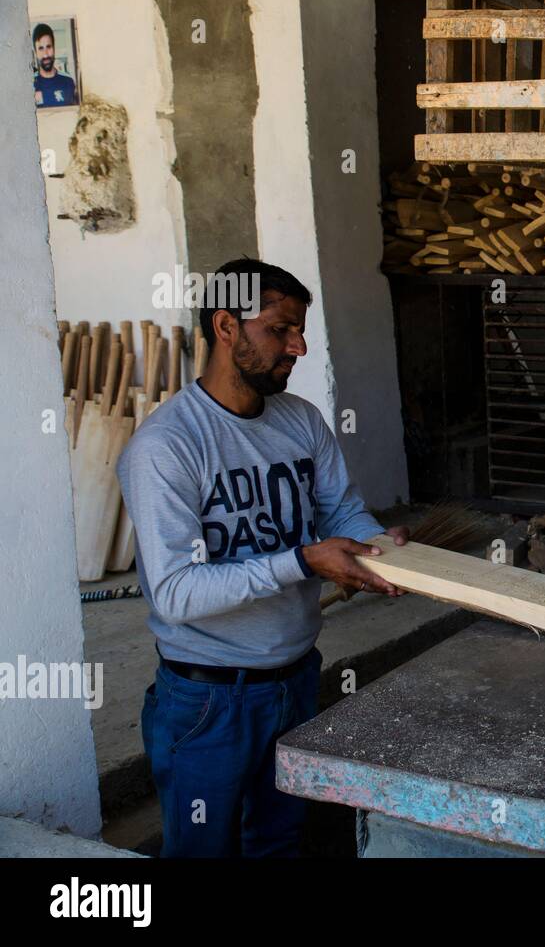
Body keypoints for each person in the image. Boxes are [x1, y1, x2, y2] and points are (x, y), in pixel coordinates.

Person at [117, 258, 409, 857]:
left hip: (295, 682)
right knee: (204, 853)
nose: (298, 346)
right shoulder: (167, 446)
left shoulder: (300, 421)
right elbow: (175, 595)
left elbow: (341, 513)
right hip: (207, 703)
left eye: (300, 329)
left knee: (279, 844)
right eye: (280, 329)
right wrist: (302, 562)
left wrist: (381, 550)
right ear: (226, 327)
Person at [32, 23, 78, 107]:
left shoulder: (68, 82)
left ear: (54, 48)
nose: (45, 54)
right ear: (35, 53)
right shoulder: (30, 85)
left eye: (48, 47)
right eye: (41, 48)